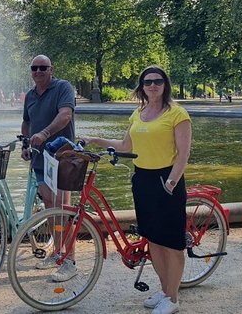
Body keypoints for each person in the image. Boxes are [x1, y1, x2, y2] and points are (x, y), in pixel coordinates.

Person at [81, 65, 191, 314]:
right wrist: (95, 140)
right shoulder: (138, 113)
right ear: (141, 86)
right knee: (153, 239)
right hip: (142, 179)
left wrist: (171, 184)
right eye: (147, 81)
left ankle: (172, 299)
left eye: (158, 81)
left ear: (165, 85)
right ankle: (165, 291)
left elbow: (183, 155)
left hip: (167, 180)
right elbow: (124, 145)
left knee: (172, 243)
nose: (153, 85)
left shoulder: (177, 113)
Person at [21, 54, 76, 282]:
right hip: (40, 160)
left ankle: (70, 261)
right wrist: (26, 143)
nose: (38, 71)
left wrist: (44, 133)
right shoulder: (31, 95)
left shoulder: (63, 87)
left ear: (51, 69)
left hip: (62, 157)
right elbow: (26, 122)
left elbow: (65, 115)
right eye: (35, 68)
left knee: (63, 209)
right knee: (50, 208)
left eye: (43, 68)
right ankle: (57, 253)